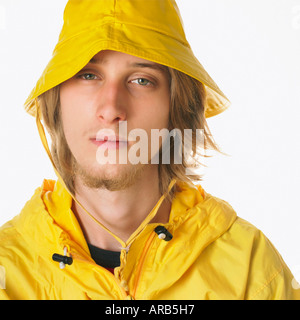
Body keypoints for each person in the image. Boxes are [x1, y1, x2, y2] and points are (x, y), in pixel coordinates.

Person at [0, 0, 299, 300]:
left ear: (178, 106)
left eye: (142, 80)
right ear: (57, 101)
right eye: (88, 74)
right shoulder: (8, 272)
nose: (111, 108)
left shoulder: (250, 272)